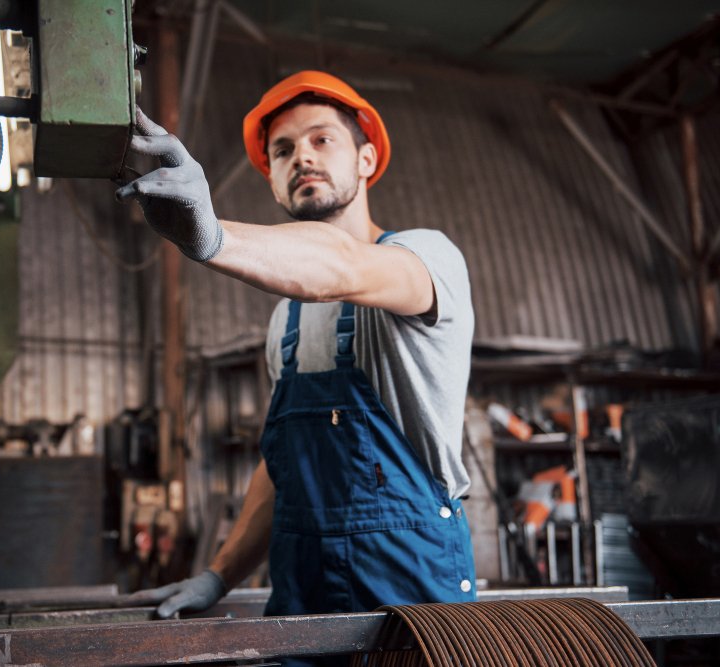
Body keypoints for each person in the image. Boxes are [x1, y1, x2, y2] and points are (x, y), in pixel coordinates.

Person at [117, 71, 476, 651]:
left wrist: (209, 236)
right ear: (274, 180)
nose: (300, 157)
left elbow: (341, 267)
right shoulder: (285, 317)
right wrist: (219, 574)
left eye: (320, 139)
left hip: (412, 595)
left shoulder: (426, 258)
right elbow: (284, 466)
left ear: (365, 159)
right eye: (282, 151)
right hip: (303, 599)